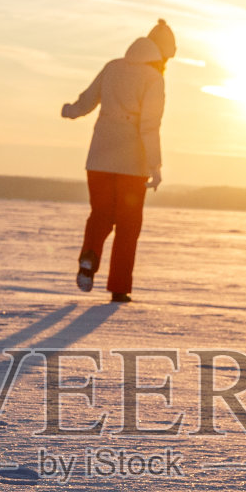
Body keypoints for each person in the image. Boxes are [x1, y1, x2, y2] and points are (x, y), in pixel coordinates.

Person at [60, 19, 176, 302]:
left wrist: (70, 111)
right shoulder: (154, 79)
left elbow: (87, 101)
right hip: (132, 163)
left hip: (98, 157)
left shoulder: (113, 67)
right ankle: (119, 288)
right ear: (162, 53)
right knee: (128, 225)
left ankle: (89, 256)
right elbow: (149, 126)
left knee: (100, 214)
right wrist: (155, 166)